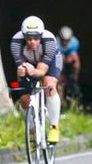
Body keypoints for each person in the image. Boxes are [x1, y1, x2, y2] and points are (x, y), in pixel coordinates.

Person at [9, 15, 62, 143]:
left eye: (36, 37)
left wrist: (33, 71)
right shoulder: (16, 41)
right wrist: (21, 70)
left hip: (49, 64)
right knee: (24, 100)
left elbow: (41, 72)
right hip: (29, 65)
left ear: (41, 35)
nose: (32, 41)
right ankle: (31, 130)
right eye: (29, 37)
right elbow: (20, 66)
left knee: (49, 85)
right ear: (23, 36)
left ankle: (54, 128)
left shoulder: (49, 40)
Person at [57, 25, 81, 102]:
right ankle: (61, 100)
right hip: (60, 57)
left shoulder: (74, 42)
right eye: (63, 40)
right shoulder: (55, 41)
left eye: (67, 40)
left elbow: (73, 54)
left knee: (76, 59)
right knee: (59, 70)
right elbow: (58, 56)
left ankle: (75, 78)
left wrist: (70, 59)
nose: (65, 42)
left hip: (69, 56)